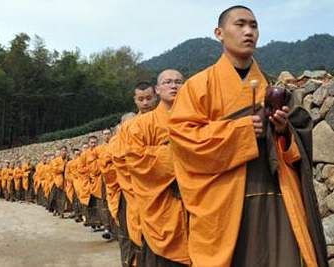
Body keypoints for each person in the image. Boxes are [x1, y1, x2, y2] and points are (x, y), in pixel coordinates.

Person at [168, 5, 327, 267]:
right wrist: (240, 132)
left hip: (277, 193)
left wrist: (282, 130)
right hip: (224, 200)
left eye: (253, 26)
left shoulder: (273, 85)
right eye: (240, 24)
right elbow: (183, 140)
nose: (248, 31)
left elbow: (299, 137)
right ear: (219, 33)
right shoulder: (198, 86)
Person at [125, 70, 190, 266]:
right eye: (168, 82)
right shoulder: (141, 124)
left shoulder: (197, 118)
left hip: (195, 199)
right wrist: (179, 154)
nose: (174, 85)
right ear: (158, 89)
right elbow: (134, 159)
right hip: (160, 201)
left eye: (179, 81)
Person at [111, 81, 157, 266]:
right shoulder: (128, 128)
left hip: (165, 188)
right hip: (135, 188)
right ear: (135, 100)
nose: (145, 103)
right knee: (139, 233)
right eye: (141, 99)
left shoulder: (168, 118)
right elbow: (122, 160)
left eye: (148, 98)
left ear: (156, 96)